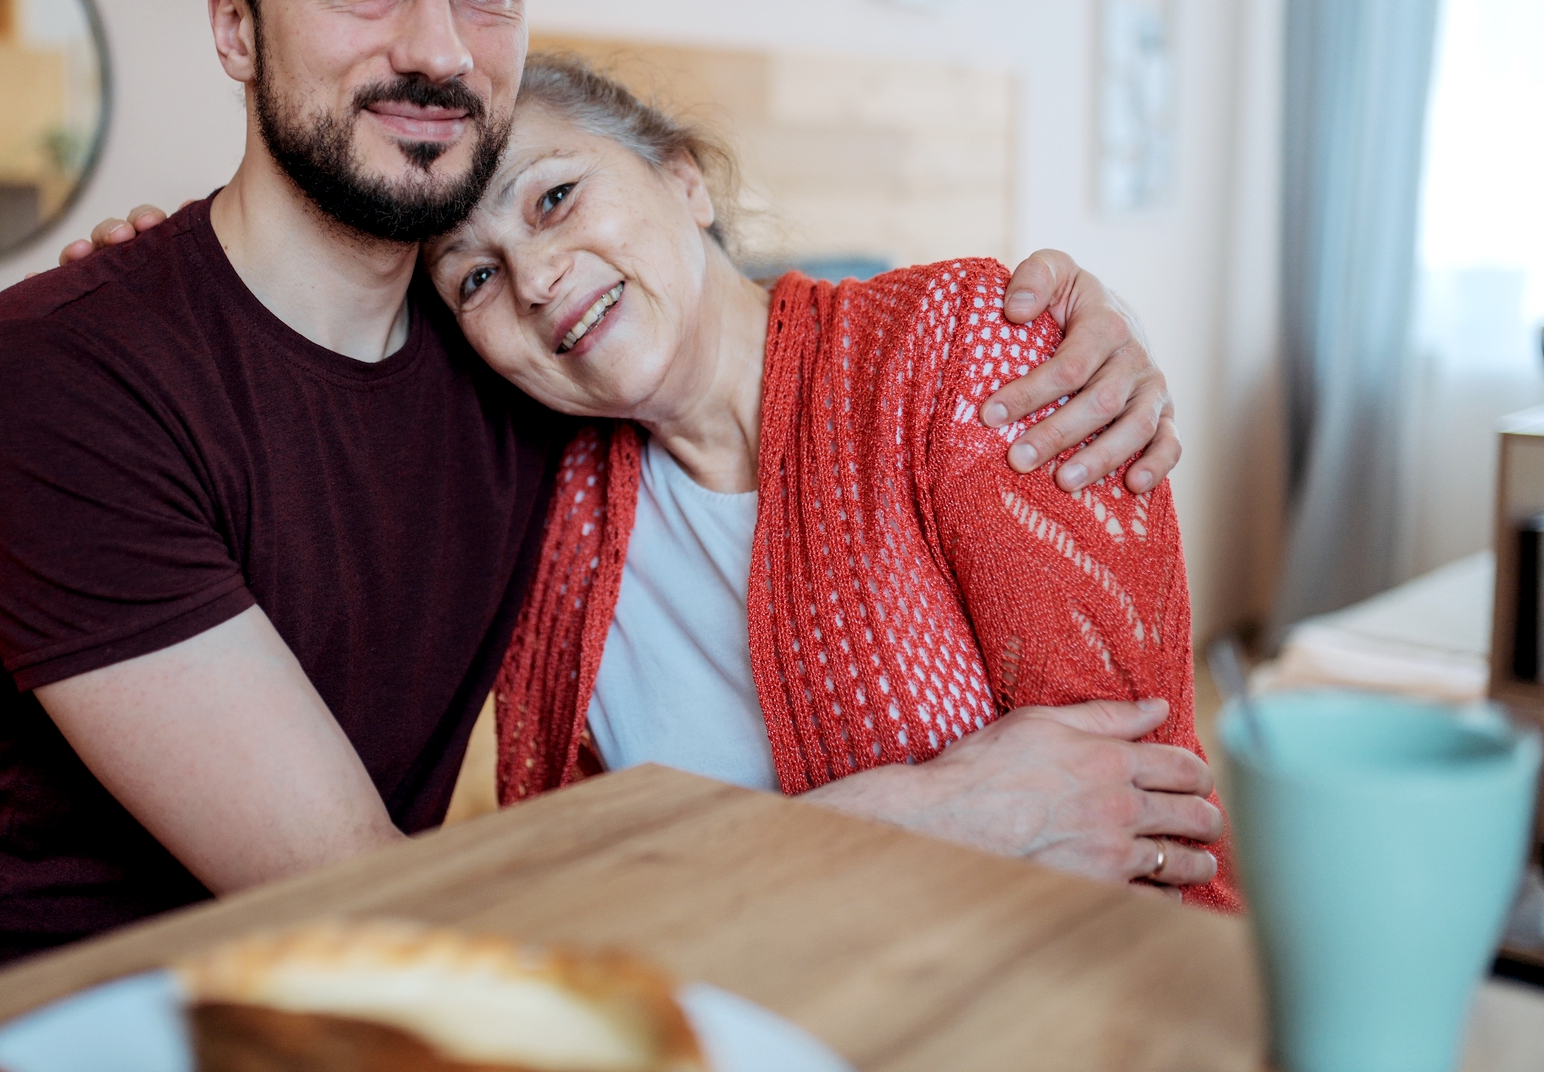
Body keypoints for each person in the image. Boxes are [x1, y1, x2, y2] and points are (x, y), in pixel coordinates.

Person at [0, 0, 1198, 981]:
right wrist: (933, 815)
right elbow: (372, 906)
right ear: (232, 22)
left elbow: (790, 342)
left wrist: (1064, 314)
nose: (435, 47)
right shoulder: (59, 378)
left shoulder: (522, 375)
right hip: (96, 1025)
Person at [424, 57, 1236, 907]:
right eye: (474, 277)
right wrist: (916, 816)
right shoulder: (540, 512)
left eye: (553, 198)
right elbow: (601, 899)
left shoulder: (958, 350)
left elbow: (1149, 834)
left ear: (683, 180)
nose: (536, 280)